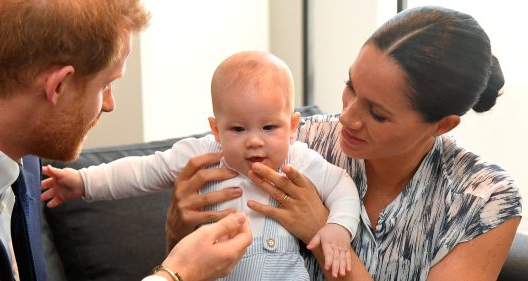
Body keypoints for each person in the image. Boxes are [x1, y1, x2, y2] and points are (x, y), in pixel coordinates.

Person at [165, 6, 523, 281]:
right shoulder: (292, 142)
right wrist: (178, 228)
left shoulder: (484, 200)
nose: (347, 118)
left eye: (378, 114)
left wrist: (323, 233)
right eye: (350, 86)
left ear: (442, 125)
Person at [0, 0, 251, 281]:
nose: (109, 103)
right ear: (58, 86)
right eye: (107, 84)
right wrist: (177, 275)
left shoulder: (24, 148)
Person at [40, 50, 361, 279]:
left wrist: (336, 228)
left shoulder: (299, 159)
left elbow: (342, 186)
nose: (254, 141)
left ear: (292, 127)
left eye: (269, 128)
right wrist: (82, 182)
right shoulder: (201, 155)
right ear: (215, 129)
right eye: (238, 129)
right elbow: (141, 171)